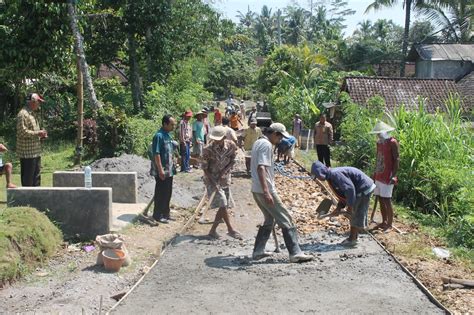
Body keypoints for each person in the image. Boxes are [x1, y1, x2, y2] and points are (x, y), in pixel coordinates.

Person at [251, 123, 313, 263]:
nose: (280, 141)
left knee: (269, 219)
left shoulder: (258, 142)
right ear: (274, 134)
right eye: (279, 137)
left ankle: (258, 251)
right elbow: (261, 168)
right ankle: (295, 253)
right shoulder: (266, 145)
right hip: (264, 190)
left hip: (256, 189)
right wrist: (267, 192)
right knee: (286, 218)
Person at [311, 161, 375, 247]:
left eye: (317, 176)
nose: (318, 179)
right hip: (360, 187)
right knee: (353, 213)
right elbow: (343, 193)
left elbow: (350, 189)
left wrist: (350, 206)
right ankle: (354, 236)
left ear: (320, 173)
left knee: (354, 213)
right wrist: (339, 208)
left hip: (363, 187)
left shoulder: (335, 174)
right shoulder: (331, 177)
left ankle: (352, 239)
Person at [201, 126, 242, 240]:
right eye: (215, 139)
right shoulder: (207, 149)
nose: (216, 141)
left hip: (225, 179)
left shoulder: (231, 146)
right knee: (223, 202)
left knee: (223, 205)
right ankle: (230, 229)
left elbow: (233, 160)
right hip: (211, 179)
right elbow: (204, 168)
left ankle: (212, 231)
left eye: (219, 139)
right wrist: (214, 181)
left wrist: (224, 171)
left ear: (224, 137)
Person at [370, 121, 400, 232]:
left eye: (379, 133)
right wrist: (375, 173)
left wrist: (393, 175)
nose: (377, 135)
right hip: (379, 174)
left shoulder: (392, 142)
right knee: (381, 199)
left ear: (384, 132)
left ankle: (389, 224)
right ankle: (384, 221)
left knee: (387, 200)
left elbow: (396, 159)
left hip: (388, 175)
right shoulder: (379, 143)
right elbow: (378, 158)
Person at [16, 93, 47, 186]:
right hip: (27, 154)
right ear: (32, 102)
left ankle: (36, 198)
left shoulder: (32, 114)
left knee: (36, 178)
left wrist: (41, 135)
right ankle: (27, 199)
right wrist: (38, 133)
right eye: (38, 102)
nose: (39, 104)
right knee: (28, 180)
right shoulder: (23, 114)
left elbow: (32, 132)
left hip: (36, 152)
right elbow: (22, 132)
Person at [151, 115, 178, 223]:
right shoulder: (159, 136)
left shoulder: (168, 135)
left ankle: (166, 214)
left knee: (168, 192)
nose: (173, 126)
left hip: (169, 170)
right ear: (165, 124)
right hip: (162, 170)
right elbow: (156, 154)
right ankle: (157, 215)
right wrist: (160, 170)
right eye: (171, 124)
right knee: (160, 193)